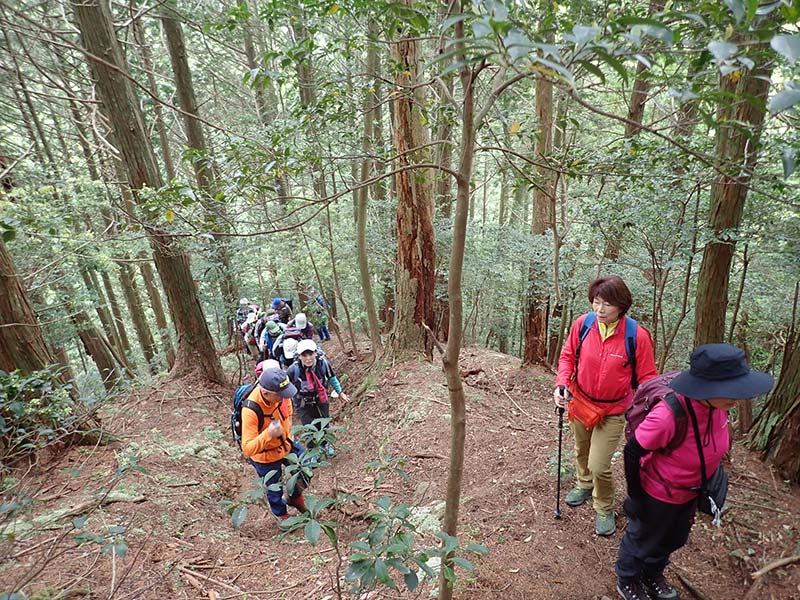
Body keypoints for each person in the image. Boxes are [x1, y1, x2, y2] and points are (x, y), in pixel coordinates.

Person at [615, 344, 773, 600]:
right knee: (642, 538)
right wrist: (636, 497)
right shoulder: (669, 413)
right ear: (707, 388)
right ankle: (628, 579)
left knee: (673, 539)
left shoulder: (718, 408)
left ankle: (652, 573)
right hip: (658, 493)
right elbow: (633, 451)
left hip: (690, 492)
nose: (737, 398)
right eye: (730, 390)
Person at [554, 275, 658, 536]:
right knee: (581, 449)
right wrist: (561, 383)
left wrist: (652, 410)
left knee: (599, 463)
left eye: (607, 304)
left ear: (621, 306)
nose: (599, 310)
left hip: (613, 410)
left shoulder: (637, 336)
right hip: (580, 401)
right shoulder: (584, 325)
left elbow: (648, 379)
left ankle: (604, 507)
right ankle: (583, 484)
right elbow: (568, 356)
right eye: (596, 302)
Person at [239, 366, 312, 520]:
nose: (285, 397)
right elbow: (247, 448)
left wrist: (288, 428)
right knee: (274, 489)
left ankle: (294, 497)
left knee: (307, 466)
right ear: (266, 393)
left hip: (287, 443)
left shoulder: (283, 395)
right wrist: (268, 434)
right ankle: (282, 516)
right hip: (265, 456)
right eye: (281, 395)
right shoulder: (251, 410)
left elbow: (288, 409)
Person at [286, 339, 349, 453]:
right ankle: (312, 449)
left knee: (324, 421)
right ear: (299, 356)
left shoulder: (323, 364)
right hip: (302, 402)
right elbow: (285, 387)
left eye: (310, 354)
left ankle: (326, 444)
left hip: (321, 398)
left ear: (315, 353)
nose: (308, 358)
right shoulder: (293, 370)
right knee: (308, 425)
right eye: (304, 355)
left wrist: (340, 392)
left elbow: (331, 378)